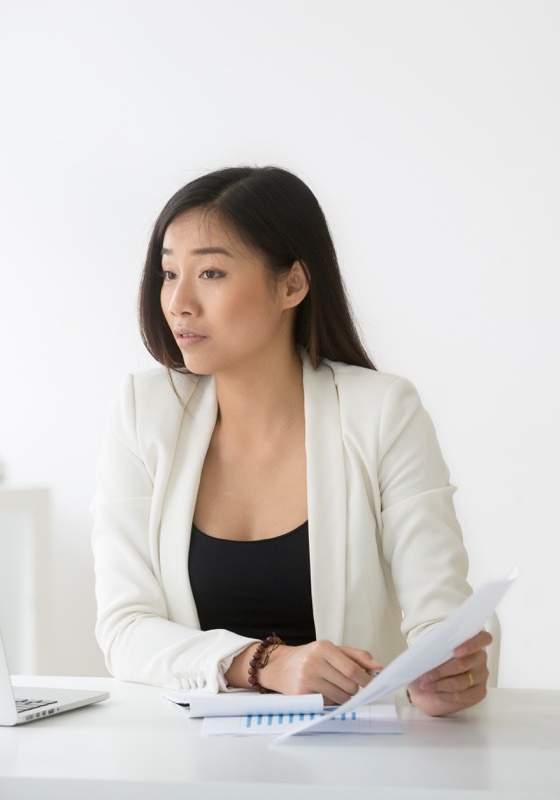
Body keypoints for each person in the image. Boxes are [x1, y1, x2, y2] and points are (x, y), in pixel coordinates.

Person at [91, 166, 491, 717]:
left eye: (210, 272)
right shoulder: (144, 413)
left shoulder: (383, 411)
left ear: (292, 284)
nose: (178, 301)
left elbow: (439, 611)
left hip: (353, 755)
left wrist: (447, 671)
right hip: (185, 757)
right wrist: (266, 663)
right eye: (168, 273)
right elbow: (125, 628)